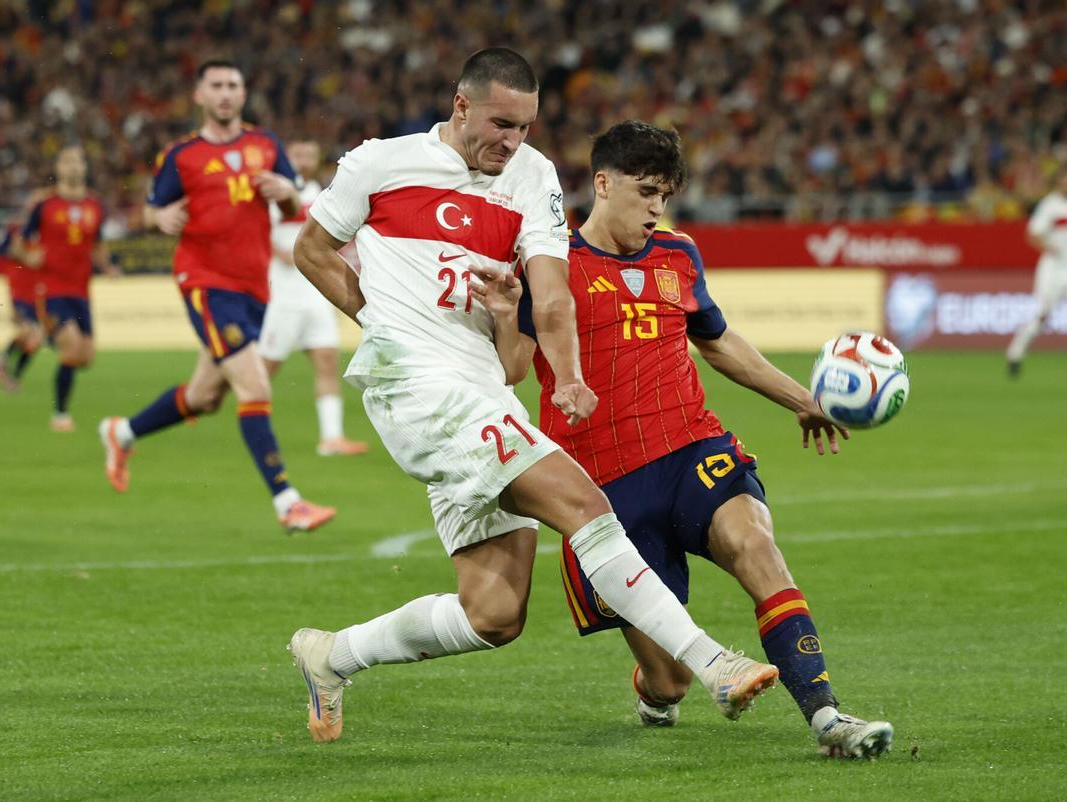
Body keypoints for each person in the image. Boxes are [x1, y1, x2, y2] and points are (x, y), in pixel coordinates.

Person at [288, 48, 777, 744]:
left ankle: (332, 655)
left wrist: (566, 371)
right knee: (585, 504)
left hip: (481, 388)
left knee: (494, 613)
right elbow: (311, 250)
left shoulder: (533, 177)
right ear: (461, 107)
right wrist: (378, 318)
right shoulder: (378, 163)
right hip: (415, 385)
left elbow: (551, 297)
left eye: (525, 127)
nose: (512, 141)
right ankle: (714, 663)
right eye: (501, 124)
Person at [500, 120, 893, 758]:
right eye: (646, 191)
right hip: (600, 490)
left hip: (691, 450)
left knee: (755, 544)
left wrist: (803, 399)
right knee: (673, 681)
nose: (658, 208)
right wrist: (499, 312)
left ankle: (828, 720)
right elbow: (514, 369)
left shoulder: (678, 255)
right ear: (603, 183)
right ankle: (655, 689)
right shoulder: (550, 267)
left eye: (666, 195)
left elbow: (718, 342)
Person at [97, 59, 335, 532]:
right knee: (255, 386)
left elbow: (290, 207)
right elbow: (149, 211)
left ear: (243, 94)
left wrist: (285, 189)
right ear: (199, 96)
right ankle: (288, 502)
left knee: (206, 397)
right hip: (205, 282)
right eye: (217, 86)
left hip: (253, 286)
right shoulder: (181, 156)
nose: (226, 93)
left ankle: (121, 433)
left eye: (233, 85)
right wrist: (158, 220)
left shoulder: (265, 146)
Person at [259, 140, 367, 456]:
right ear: (286, 157)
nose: (304, 159)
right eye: (297, 153)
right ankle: (253, 426)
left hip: (316, 294)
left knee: (327, 362)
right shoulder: (275, 192)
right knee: (265, 369)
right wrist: (288, 253)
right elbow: (258, 235)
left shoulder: (322, 192)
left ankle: (331, 438)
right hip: (285, 296)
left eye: (309, 153)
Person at [8, 148, 116, 431]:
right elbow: (19, 243)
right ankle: (60, 414)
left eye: (78, 161)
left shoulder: (96, 206)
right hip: (51, 289)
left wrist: (108, 267)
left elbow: (98, 244)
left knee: (86, 356)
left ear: (84, 168)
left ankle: (44, 336)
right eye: (66, 161)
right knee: (71, 345)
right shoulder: (45, 205)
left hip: (81, 292)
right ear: (58, 167)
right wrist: (29, 257)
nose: (73, 167)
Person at [1007, 167, 1067, 379]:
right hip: (1054, 267)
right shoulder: (1049, 206)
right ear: (1059, 183)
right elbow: (1032, 235)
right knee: (1043, 316)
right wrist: (1051, 248)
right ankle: (1015, 353)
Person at [0, 189, 52, 393]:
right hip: (20, 288)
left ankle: (14, 376)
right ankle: (5, 360)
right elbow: (2, 251)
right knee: (29, 331)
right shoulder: (16, 228)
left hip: (41, 291)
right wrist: (26, 254)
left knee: (35, 340)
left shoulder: (49, 230)